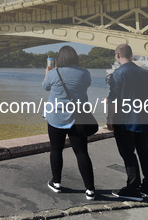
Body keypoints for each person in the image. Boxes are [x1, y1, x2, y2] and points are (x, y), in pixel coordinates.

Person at [42, 46, 95, 200]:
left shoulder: (53, 73)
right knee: (81, 152)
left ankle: (56, 182)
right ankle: (90, 190)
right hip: (77, 118)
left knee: (56, 149)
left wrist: (48, 72)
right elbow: (86, 85)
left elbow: (45, 87)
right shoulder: (85, 73)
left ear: (60, 58)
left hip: (56, 118)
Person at [107, 44, 148, 201]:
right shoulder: (146, 73)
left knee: (128, 154)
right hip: (144, 118)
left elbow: (113, 98)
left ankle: (132, 188)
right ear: (131, 54)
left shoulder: (118, 73)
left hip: (126, 120)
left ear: (117, 55)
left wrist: (110, 119)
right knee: (145, 153)